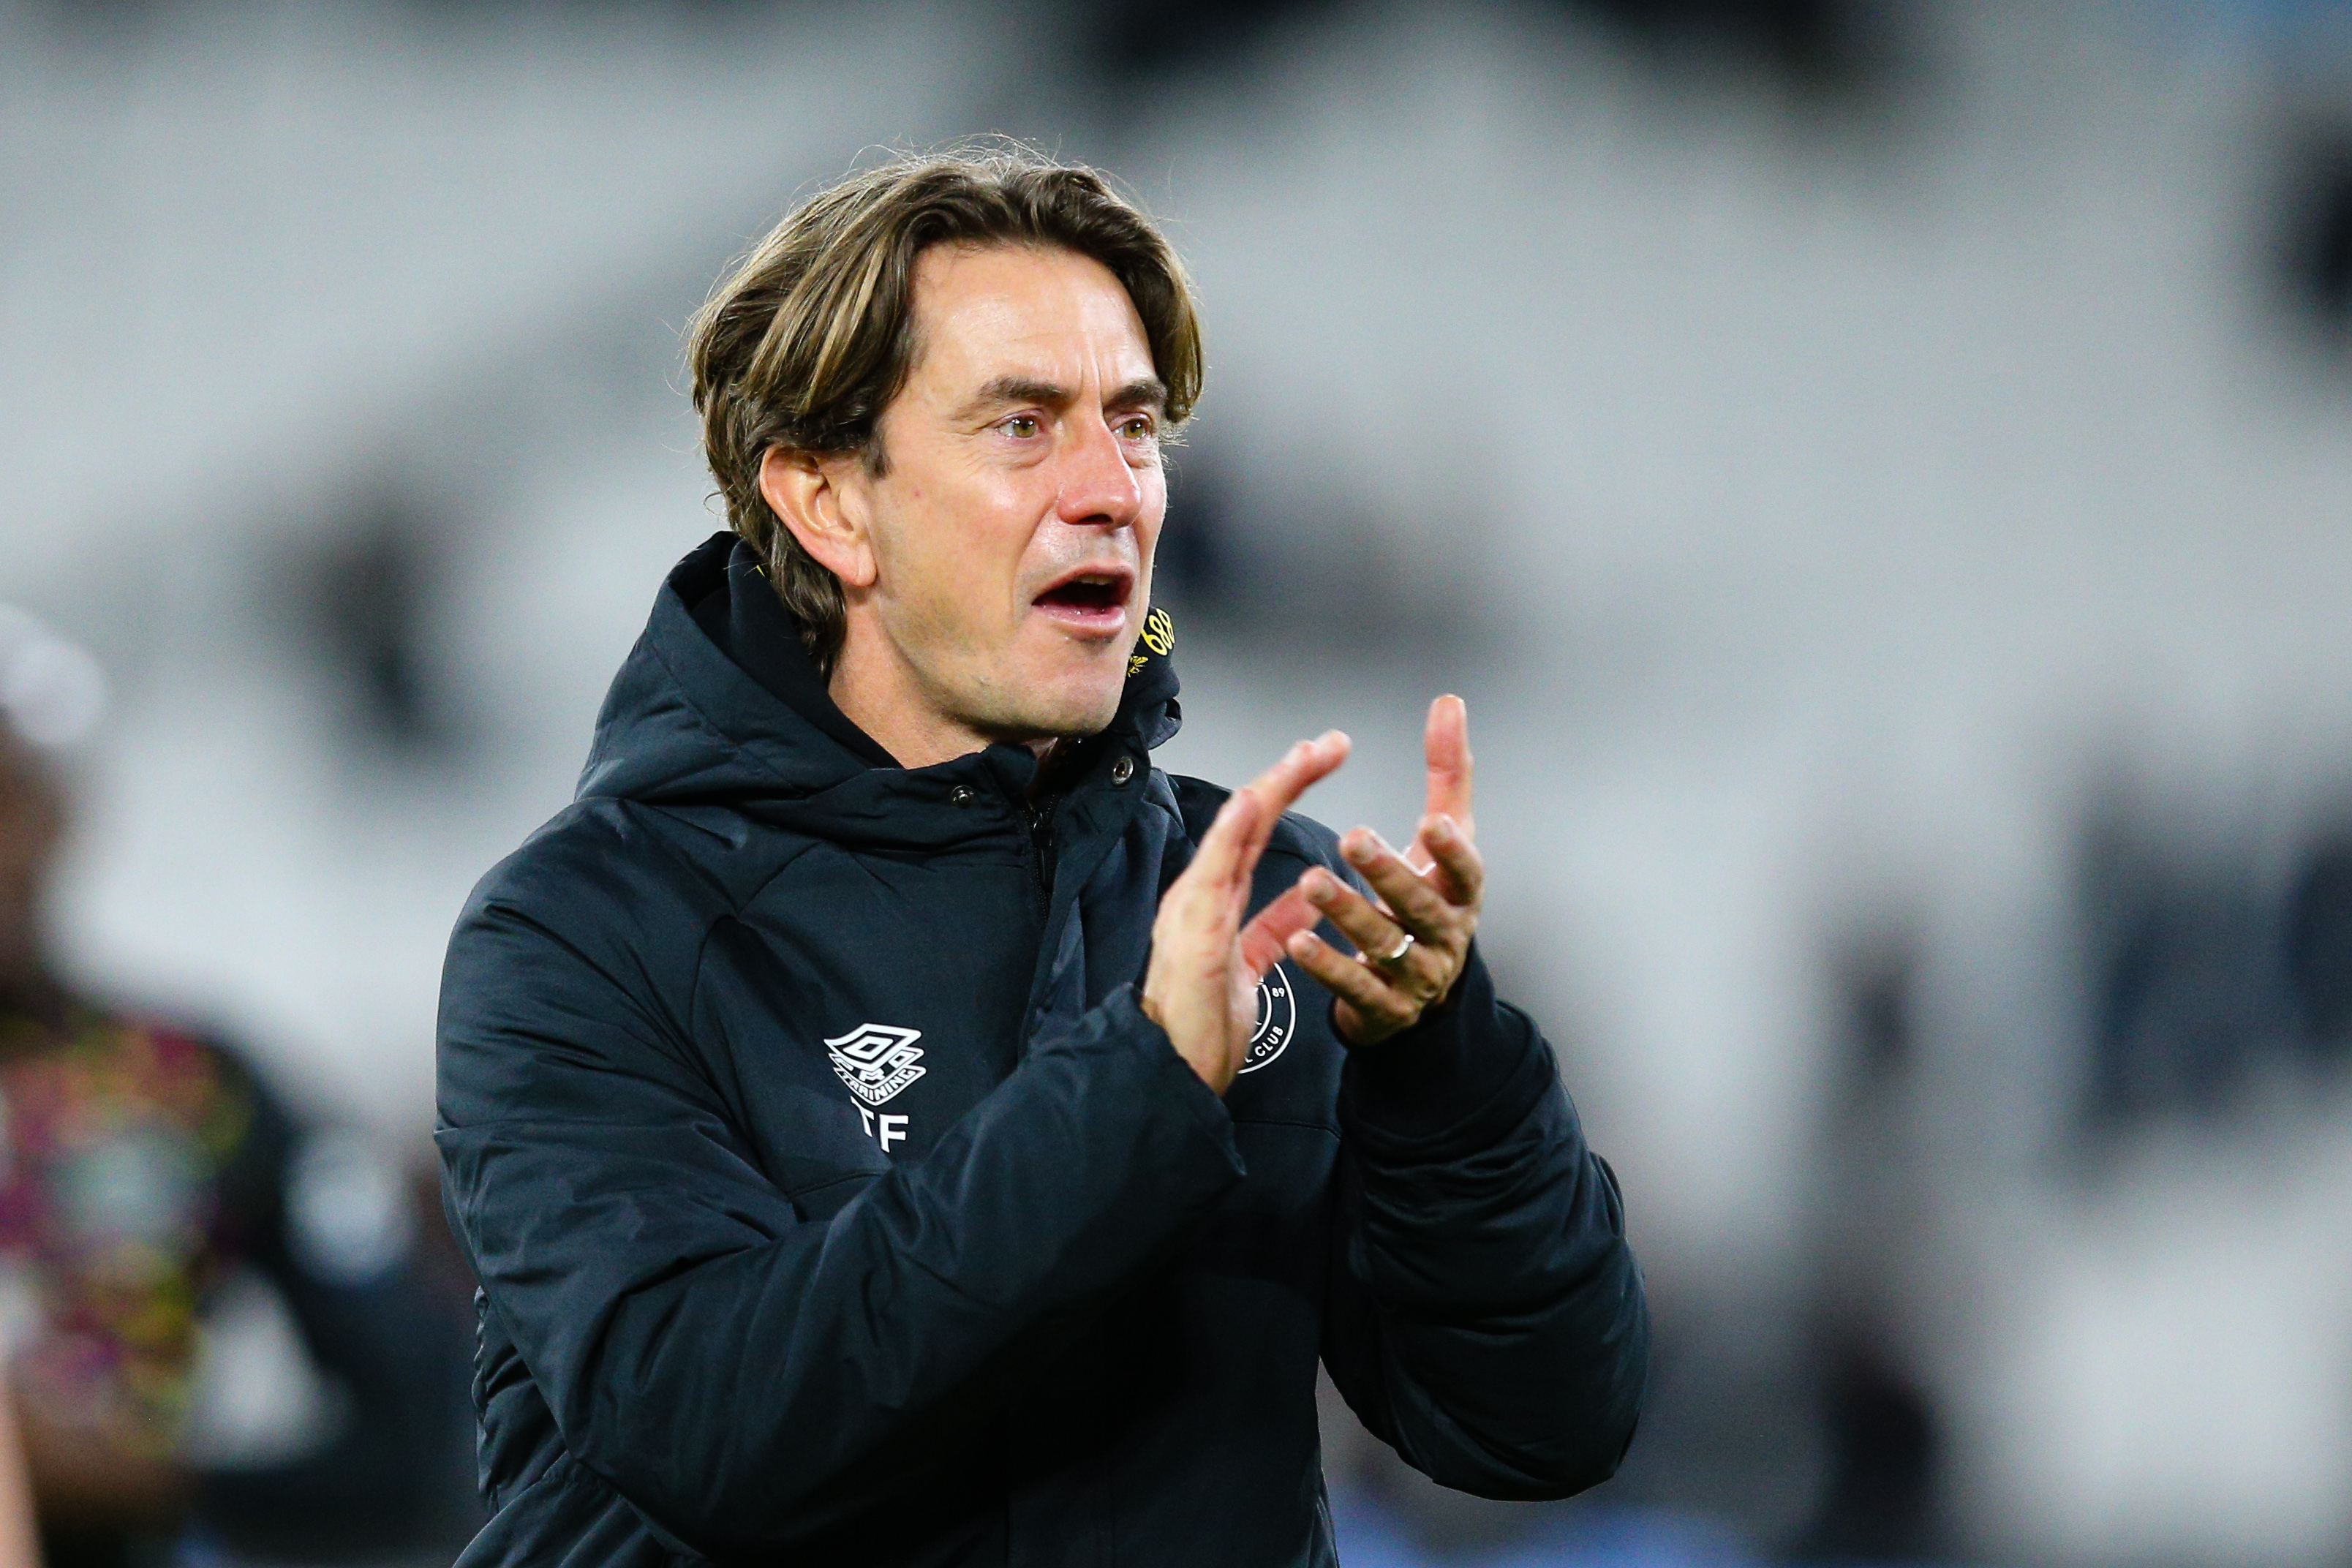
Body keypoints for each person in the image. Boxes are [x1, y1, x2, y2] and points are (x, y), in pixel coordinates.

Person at [436, 146, 1648, 1568]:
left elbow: (1540, 1431)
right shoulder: (587, 928)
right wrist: (1133, 1086)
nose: (1111, 490)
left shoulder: (1251, 894)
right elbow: (724, 1430)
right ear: (831, 502)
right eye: (1022, 426)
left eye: (1134, 429)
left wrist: (1447, 1077)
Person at [0, 652, 473, 1568]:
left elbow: (424, 1424)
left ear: (61, 812)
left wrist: (142, 1476)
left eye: (1, 793)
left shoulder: (192, 1085)